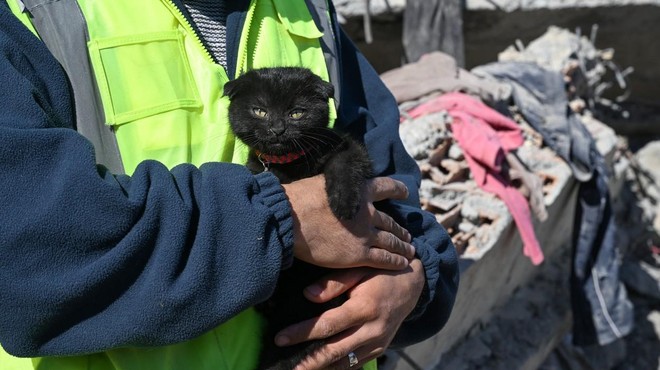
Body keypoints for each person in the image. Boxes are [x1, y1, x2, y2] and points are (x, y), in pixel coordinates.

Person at [0, 0, 459, 369]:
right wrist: (281, 221)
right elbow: (28, 255)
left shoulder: (304, 8)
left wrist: (409, 278)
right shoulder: (26, 13)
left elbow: (392, 184)